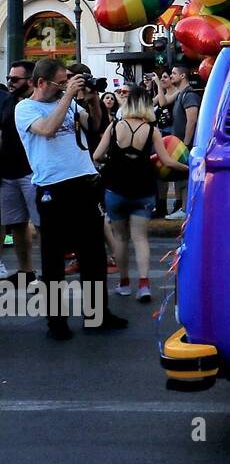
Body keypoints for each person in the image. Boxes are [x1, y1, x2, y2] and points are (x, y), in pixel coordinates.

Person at [15, 59, 125, 339]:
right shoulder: (26, 108)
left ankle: (97, 315)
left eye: (67, 80)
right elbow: (48, 129)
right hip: (53, 187)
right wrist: (67, 95)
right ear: (41, 83)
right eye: (60, 81)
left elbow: (95, 125)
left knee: (93, 254)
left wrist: (94, 100)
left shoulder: (67, 102)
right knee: (53, 258)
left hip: (84, 183)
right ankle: (57, 323)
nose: (65, 85)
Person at [94, 84, 188, 303]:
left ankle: (124, 283)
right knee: (140, 238)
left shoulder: (115, 126)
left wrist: (110, 163)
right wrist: (190, 167)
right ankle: (144, 284)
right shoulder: (152, 130)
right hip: (143, 188)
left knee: (120, 238)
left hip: (116, 187)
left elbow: (98, 155)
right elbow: (166, 161)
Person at [0, 61, 38, 287]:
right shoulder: (8, 102)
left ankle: (49, 273)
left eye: (15, 79)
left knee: (42, 225)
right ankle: (26, 271)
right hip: (8, 173)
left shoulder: (39, 104)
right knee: (16, 225)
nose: (10, 83)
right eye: (9, 79)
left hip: (32, 172)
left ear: (31, 81)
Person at [155, 64, 199, 220]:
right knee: (180, 178)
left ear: (182, 76)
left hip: (185, 144)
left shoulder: (189, 95)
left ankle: (186, 209)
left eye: (173, 73)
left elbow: (191, 120)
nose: (170, 75)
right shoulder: (180, 95)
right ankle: (182, 207)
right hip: (178, 142)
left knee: (185, 177)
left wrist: (186, 144)